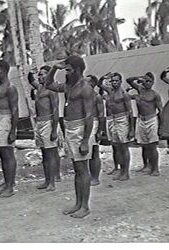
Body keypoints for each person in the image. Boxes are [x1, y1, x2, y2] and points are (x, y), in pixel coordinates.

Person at [45, 55, 94, 218]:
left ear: (78, 70)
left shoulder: (85, 88)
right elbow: (48, 84)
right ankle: (78, 203)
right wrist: (54, 68)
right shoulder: (68, 86)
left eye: (68, 70)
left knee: (82, 168)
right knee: (76, 169)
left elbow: (89, 116)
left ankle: (85, 206)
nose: (66, 73)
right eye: (65, 70)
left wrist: (86, 140)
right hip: (69, 128)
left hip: (80, 129)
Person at [0, 60, 19, 198]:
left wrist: (13, 130)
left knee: (8, 153)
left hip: (5, 120)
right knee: (2, 153)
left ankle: (10, 187)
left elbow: (15, 109)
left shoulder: (10, 88)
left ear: (4, 71)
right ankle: (7, 183)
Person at [27, 65, 60, 191]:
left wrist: (54, 130)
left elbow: (56, 110)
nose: (39, 77)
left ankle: (52, 182)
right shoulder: (40, 87)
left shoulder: (51, 90)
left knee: (50, 153)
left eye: (42, 74)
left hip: (49, 122)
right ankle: (47, 180)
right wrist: (30, 72)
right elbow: (31, 80)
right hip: (39, 122)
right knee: (44, 154)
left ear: (49, 75)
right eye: (39, 75)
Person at [98, 72, 134, 181]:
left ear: (120, 81)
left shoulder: (124, 95)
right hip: (111, 119)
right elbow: (99, 84)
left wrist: (131, 128)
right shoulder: (110, 91)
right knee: (116, 146)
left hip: (122, 119)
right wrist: (103, 77)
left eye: (116, 81)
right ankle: (120, 170)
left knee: (124, 147)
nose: (114, 83)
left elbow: (130, 112)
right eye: (112, 81)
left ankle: (126, 172)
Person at [126, 72, 163, 176]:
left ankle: (155, 168)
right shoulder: (140, 90)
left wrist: (161, 126)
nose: (147, 83)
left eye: (149, 81)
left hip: (151, 119)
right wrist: (138, 77)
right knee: (144, 144)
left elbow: (160, 110)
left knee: (152, 145)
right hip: (141, 119)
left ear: (153, 82)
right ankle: (146, 165)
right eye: (145, 81)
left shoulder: (155, 94)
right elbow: (129, 80)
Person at [86, 75, 104, 186]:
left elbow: (101, 114)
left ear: (92, 84)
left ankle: (95, 177)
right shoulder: (83, 96)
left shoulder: (97, 97)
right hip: (84, 123)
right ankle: (88, 175)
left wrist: (99, 131)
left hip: (94, 123)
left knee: (94, 151)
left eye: (87, 82)